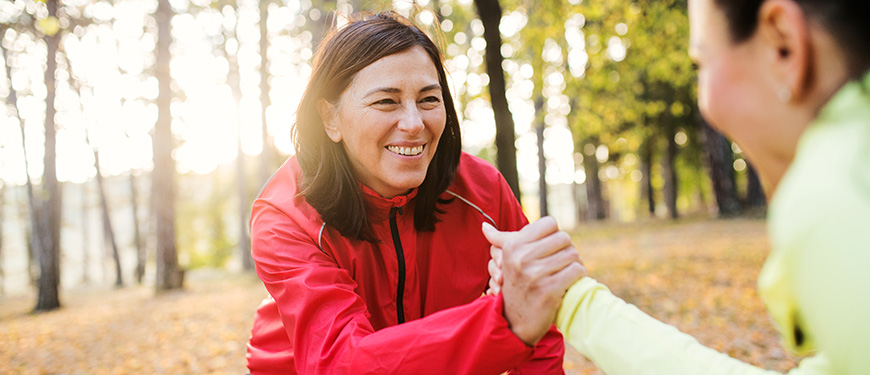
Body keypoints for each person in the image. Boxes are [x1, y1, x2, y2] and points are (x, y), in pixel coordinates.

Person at [485, 0, 870, 374]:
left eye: (701, 63)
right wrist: (572, 302)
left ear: (783, 44)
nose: (705, 104)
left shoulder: (832, 193)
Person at [245, 12, 584, 375]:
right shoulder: (285, 215)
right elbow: (341, 362)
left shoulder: (483, 191)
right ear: (330, 118)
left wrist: (527, 302)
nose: (414, 124)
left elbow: (539, 333)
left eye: (428, 99)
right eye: (386, 101)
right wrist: (504, 319)